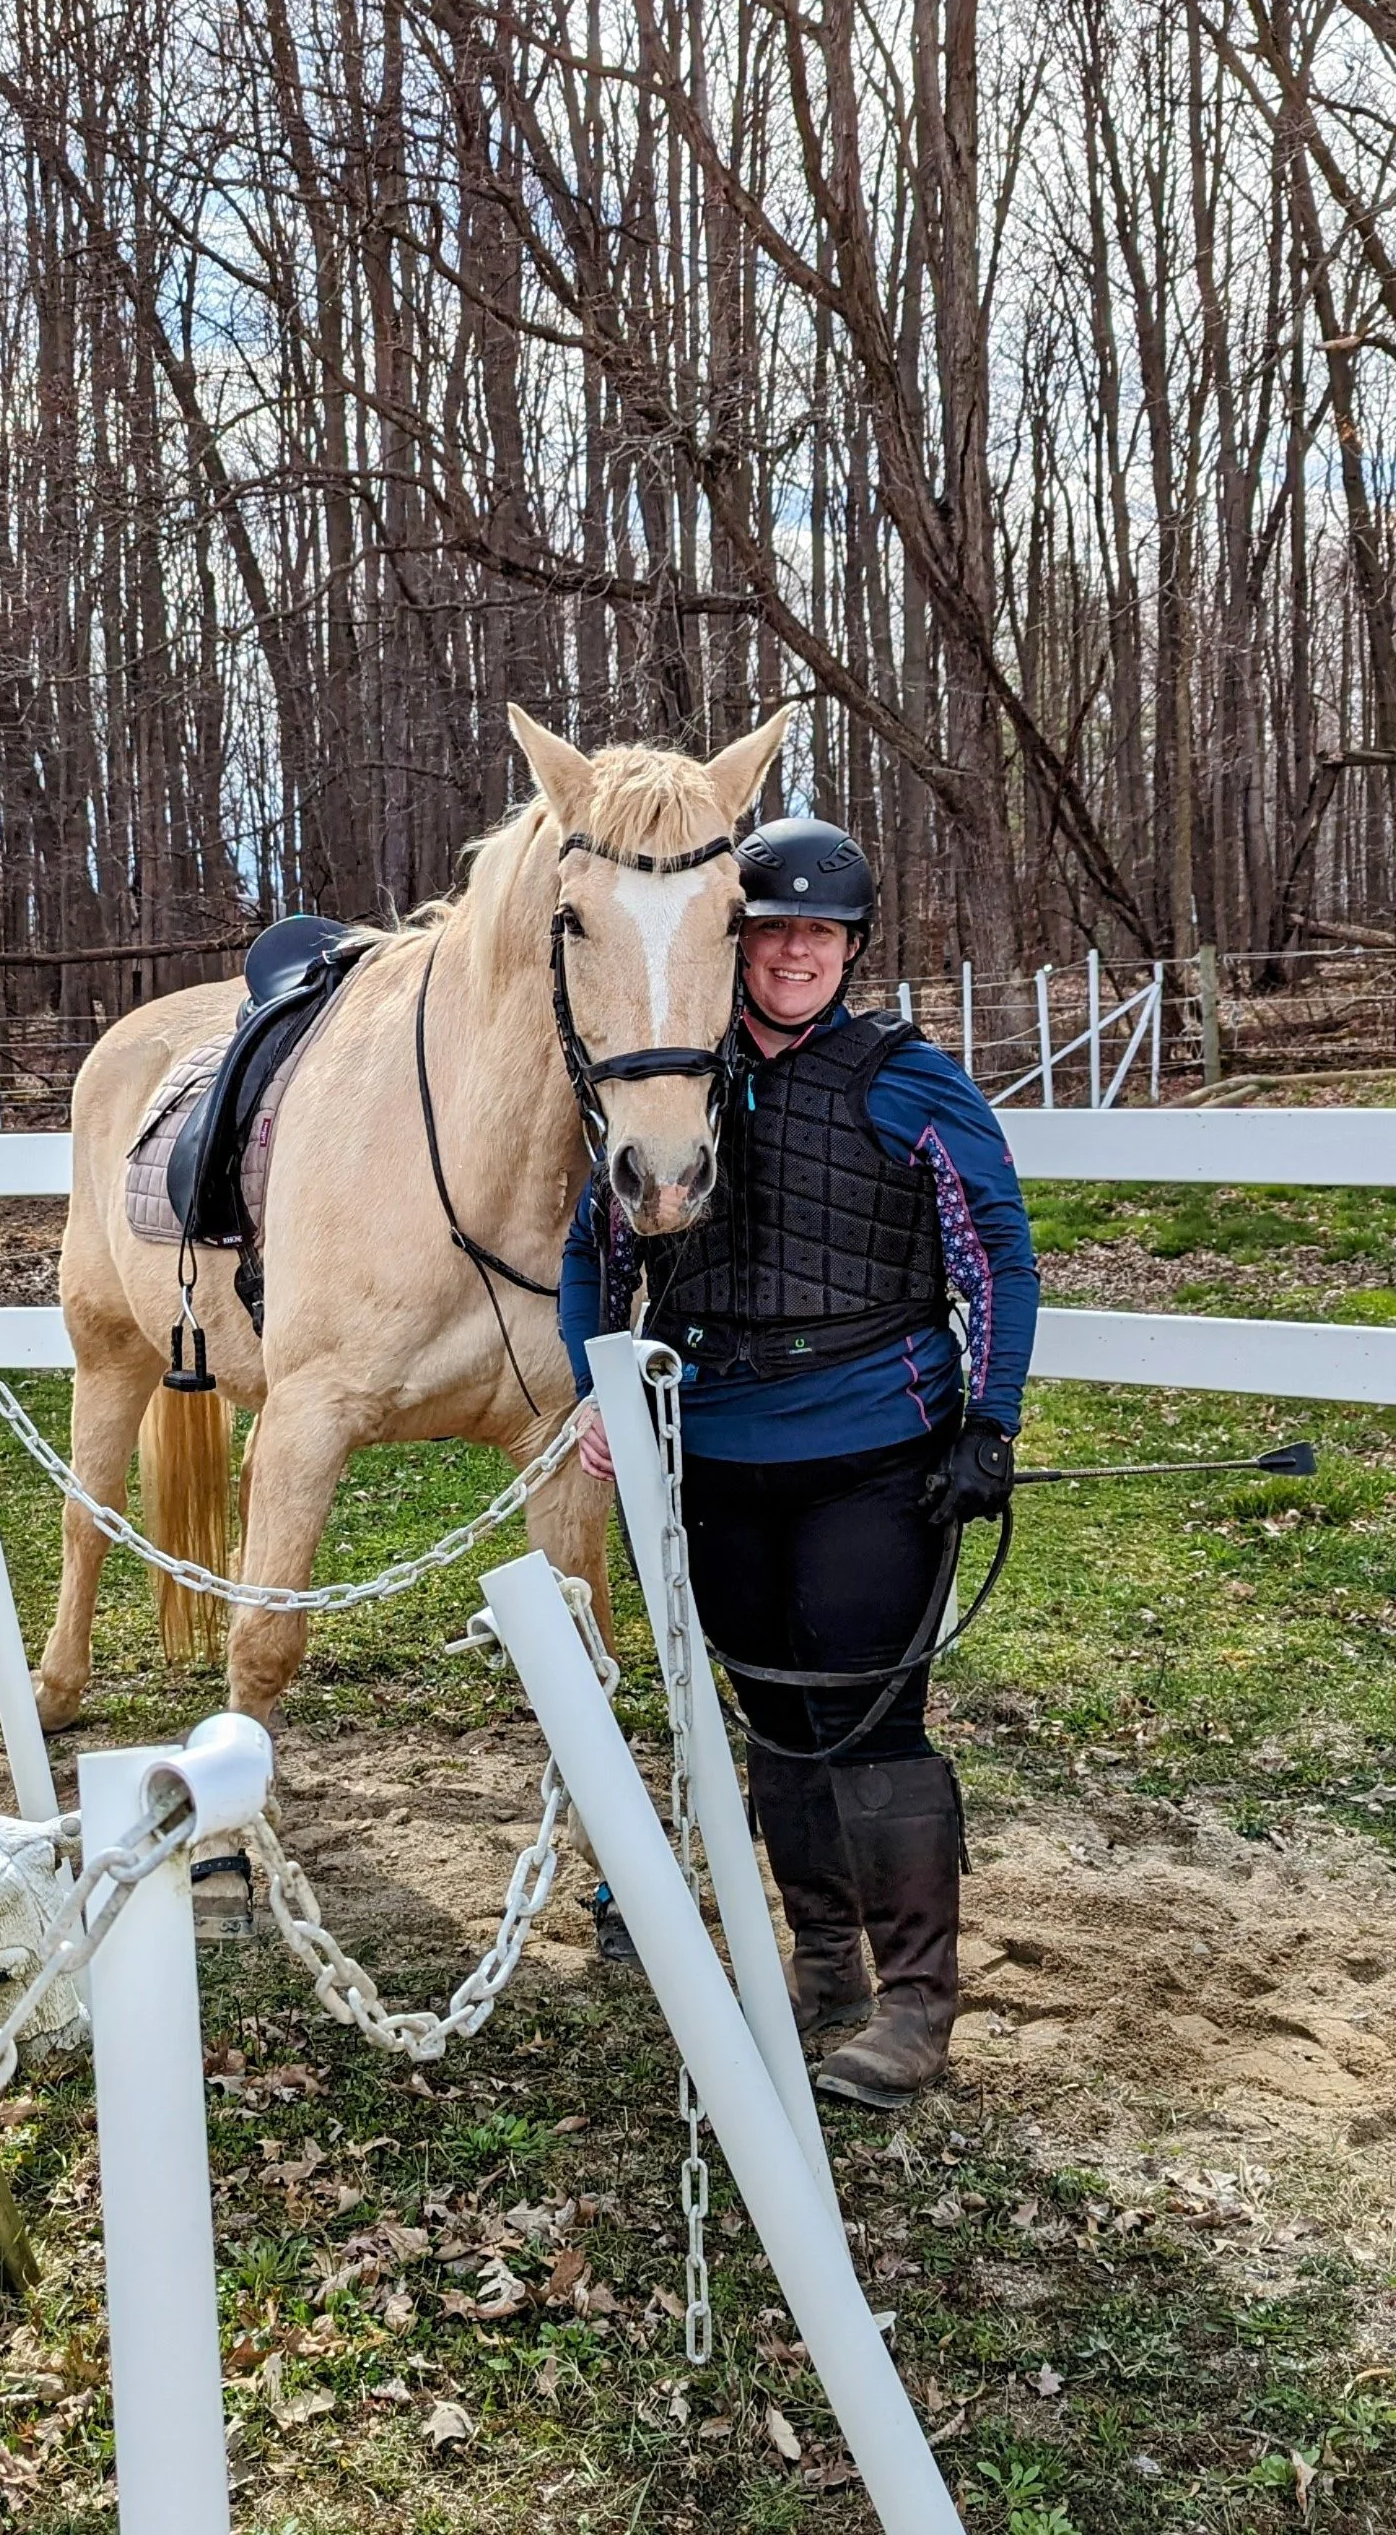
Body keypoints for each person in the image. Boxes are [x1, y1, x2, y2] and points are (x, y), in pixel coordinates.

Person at [562, 817, 1039, 2110]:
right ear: (738, 941)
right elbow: (591, 1254)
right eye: (772, 930)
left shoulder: (906, 1078)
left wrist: (988, 1419)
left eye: (818, 934)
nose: (793, 955)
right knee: (773, 1721)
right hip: (715, 1455)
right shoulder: (676, 1087)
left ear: (850, 949)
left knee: (871, 1723)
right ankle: (825, 1967)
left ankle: (918, 2006)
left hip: (875, 1454)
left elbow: (996, 1249)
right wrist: (599, 1377)